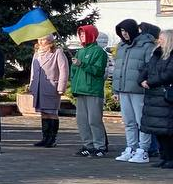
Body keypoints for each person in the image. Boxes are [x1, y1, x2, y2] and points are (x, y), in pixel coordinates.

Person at [114, 18, 157, 164]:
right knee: (129, 121)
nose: (124, 34)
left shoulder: (146, 45)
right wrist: (116, 89)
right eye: (122, 31)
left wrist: (145, 81)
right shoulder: (121, 46)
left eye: (126, 31)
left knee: (141, 122)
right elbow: (117, 69)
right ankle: (131, 147)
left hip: (139, 90)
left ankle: (143, 150)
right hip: (124, 90)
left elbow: (150, 66)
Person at [71, 24, 109, 157]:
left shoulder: (99, 52)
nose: (82, 36)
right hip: (80, 90)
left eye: (84, 34)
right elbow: (74, 71)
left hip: (93, 90)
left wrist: (82, 64)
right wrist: (74, 84)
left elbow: (98, 71)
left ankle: (100, 146)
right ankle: (88, 145)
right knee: (82, 121)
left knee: (94, 120)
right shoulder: (80, 51)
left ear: (91, 35)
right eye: (80, 34)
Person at [139, 29, 173, 168]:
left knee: (167, 130)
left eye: (162, 39)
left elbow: (169, 74)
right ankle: (164, 156)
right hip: (153, 96)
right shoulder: (156, 54)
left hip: (165, 97)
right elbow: (146, 69)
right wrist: (141, 80)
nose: (159, 41)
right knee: (158, 130)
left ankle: (170, 158)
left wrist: (150, 82)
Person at [29, 33, 69, 147]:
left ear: (50, 40)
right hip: (39, 88)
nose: (40, 41)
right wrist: (32, 85)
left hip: (51, 87)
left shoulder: (57, 52)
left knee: (51, 113)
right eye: (39, 39)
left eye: (43, 39)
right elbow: (33, 71)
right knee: (43, 113)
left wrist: (61, 87)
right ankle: (45, 138)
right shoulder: (37, 54)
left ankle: (52, 139)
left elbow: (64, 70)